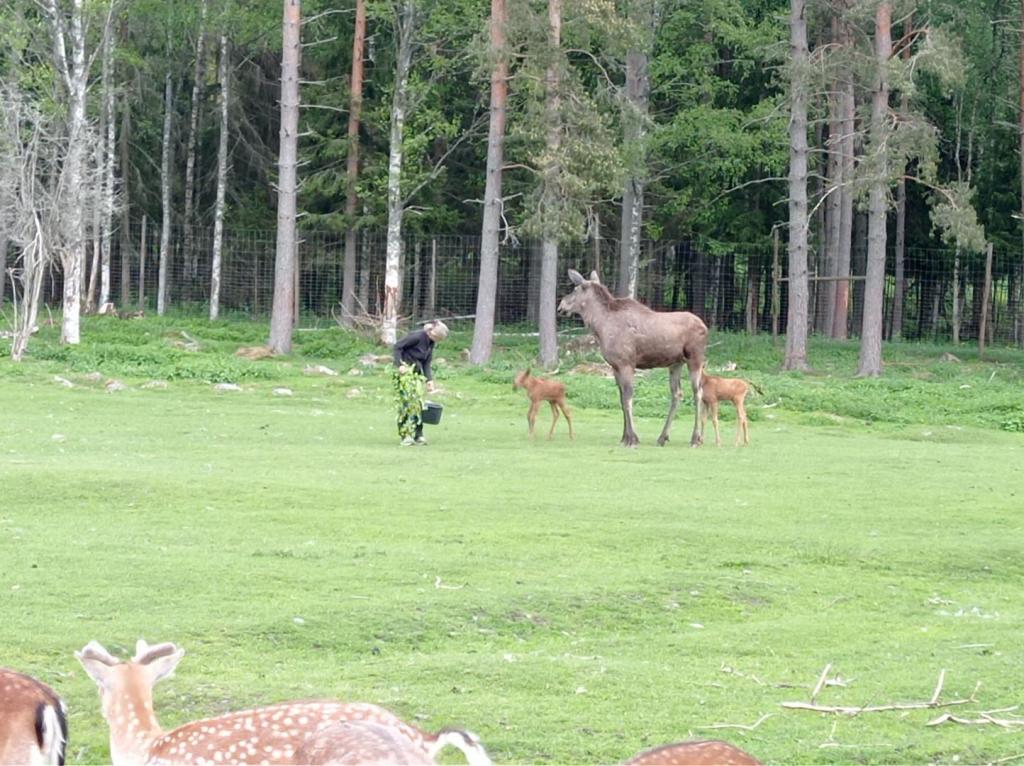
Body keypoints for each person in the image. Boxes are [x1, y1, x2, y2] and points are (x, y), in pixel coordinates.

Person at [392, 320, 449, 445]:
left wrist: (429, 380)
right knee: (406, 405)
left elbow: (426, 362)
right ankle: (405, 435)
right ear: (431, 332)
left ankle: (418, 435)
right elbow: (397, 347)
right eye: (436, 337)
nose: (436, 340)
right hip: (405, 375)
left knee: (418, 405)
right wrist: (399, 365)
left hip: (417, 376)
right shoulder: (417, 336)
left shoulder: (431, 342)